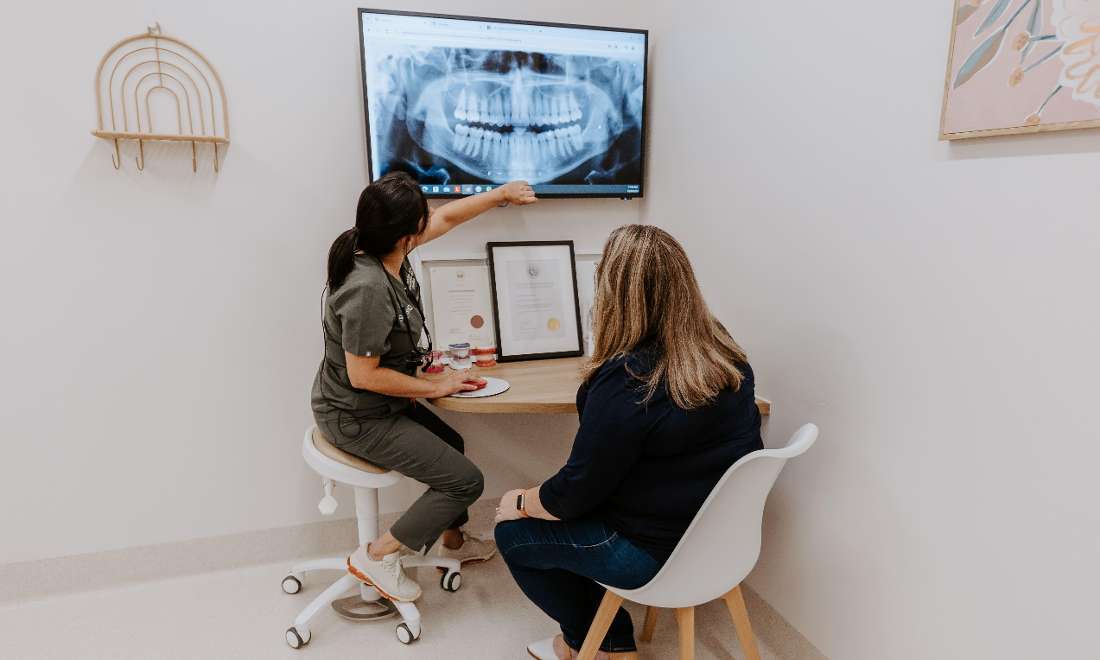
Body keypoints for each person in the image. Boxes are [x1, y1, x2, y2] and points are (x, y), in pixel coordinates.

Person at [493, 225, 763, 660]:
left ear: (613, 294)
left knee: (512, 534)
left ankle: (597, 643)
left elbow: (574, 495)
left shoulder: (629, 381)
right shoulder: (726, 355)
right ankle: (610, 636)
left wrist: (521, 501)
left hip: (650, 553)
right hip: (719, 544)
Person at [312, 172, 537, 602]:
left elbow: (449, 217)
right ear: (405, 235)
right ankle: (376, 556)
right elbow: (363, 376)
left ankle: (454, 540)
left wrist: (502, 194)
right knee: (465, 481)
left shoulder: (385, 250)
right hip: (355, 416)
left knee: (453, 445)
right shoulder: (367, 288)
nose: (431, 215)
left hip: (376, 404)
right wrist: (434, 386)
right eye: (423, 214)